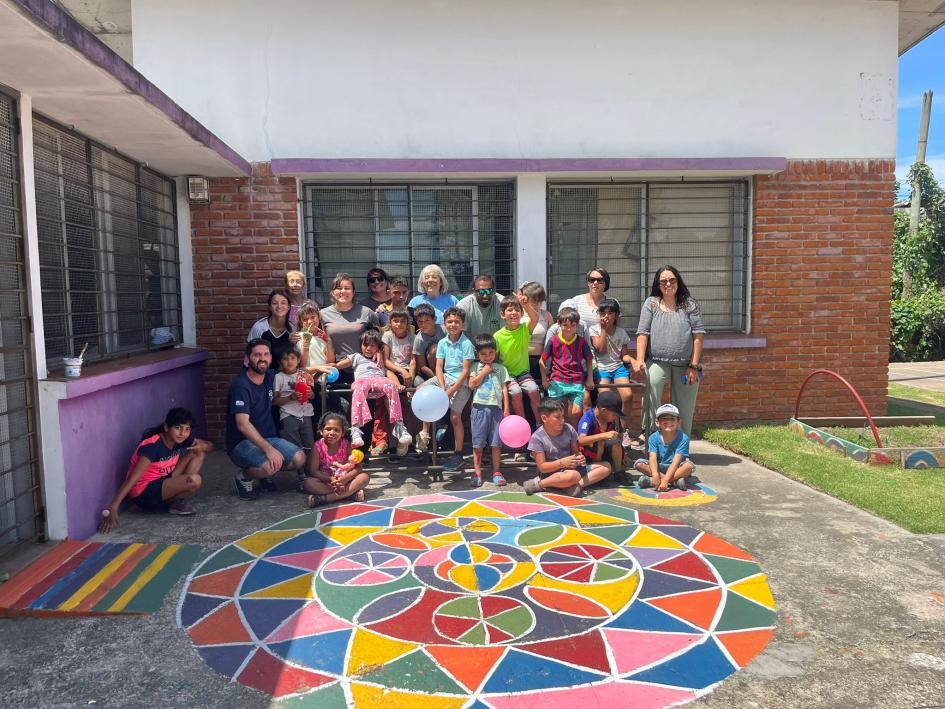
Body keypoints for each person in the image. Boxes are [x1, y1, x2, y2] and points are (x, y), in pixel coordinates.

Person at [100, 408, 212, 531]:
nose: (182, 433)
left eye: (187, 429)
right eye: (178, 428)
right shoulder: (152, 447)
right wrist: (114, 506)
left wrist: (202, 446)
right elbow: (132, 479)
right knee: (195, 481)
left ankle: (174, 502)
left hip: (164, 480)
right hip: (144, 493)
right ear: (166, 427)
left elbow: (210, 445)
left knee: (199, 453)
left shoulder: (181, 439)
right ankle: (172, 502)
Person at [320, 272, 390, 456]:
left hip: (364, 369)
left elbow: (379, 336)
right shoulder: (323, 314)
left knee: (366, 410)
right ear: (333, 292)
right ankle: (342, 451)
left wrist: (381, 354)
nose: (343, 291)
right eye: (339, 288)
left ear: (353, 291)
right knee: (342, 409)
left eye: (347, 288)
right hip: (337, 369)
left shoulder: (366, 312)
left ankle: (362, 454)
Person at [227, 339, 307, 500]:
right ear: (247, 359)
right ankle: (243, 476)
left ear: (271, 358)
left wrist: (316, 374)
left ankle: (263, 474)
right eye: (257, 355)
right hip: (242, 443)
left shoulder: (272, 377)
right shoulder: (241, 385)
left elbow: (296, 371)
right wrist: (268, 449)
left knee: (300, 458)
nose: (262, 358)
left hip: (269, 438)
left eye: (266, 354)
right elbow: (242, 424)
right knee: (269, 466)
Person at [632, 265, 705, 436]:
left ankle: (681, 444)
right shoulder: (651, 304)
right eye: (663, 281)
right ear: (658, 284)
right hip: (658, 361)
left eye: (672, 280)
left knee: (684, 405)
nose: (668, 284)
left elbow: (698, 336)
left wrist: (693, 366)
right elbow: (643, 333)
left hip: (685, 364)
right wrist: (640, 359)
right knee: (652, 387)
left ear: (678, 282)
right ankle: (650, 436)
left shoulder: (689, 304)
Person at [336, 329, 413, 456]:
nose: (368, 348)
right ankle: (356, 429)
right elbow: (339, 365)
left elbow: (388, 373)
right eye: (365, 345)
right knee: (358, 386)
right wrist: (327, 368)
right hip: (363, 385)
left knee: (390, 385)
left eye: (372, 345)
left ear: (378, 347)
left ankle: (399, 427)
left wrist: (397, 385)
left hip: (378, 383)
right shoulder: (356, 357)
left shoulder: (380, 359)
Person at [524, 398, 610, 496]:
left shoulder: (569, 429)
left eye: (563, 416)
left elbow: (575, 451)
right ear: (544, 418)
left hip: (571, 468)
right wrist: (562, 463)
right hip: (551, 473)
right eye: (558, 417)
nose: (562, 420)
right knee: (574, 475)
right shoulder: (537, 437)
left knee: (606, 467)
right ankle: (539, 484)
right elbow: (542, 467)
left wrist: (579, 457)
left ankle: (575, 486)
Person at [434, 306, 475, 471]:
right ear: (444, 324)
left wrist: (450, 391)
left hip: (461, 382)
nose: (453, 324)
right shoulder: (442, 343)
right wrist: (443, 387)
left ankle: (458, 454)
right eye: (449, 321)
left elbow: (465, 371)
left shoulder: (467, 343)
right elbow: (438, 367)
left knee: (456, 417)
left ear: (462, 324)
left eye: (457, 321)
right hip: (445, 379)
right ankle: (431, 429)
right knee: (422, 388)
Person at [540, 307, 595, 427]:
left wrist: (590, 378)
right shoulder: (553, 340)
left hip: (576, 381)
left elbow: (589, 359)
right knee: (557, 413)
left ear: (577, 325)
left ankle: (574, 439)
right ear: (559, 324)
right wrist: (544, 378)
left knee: (576, 412)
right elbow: (542, 360)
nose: (569, 329)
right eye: (565, 325)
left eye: (573, 325)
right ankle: (557, 440)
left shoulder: (581, 342)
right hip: (557, 381)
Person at [467, 333, 510, 488]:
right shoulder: (474, 367)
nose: (487, 356)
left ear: (495, 352)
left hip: (497, 409)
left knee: (496, 444)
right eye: (483, 354)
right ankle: (477, 472)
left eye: (491, 353)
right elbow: (471, 384)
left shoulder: (501, 368)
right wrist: (485, 371)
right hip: (479, 408)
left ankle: (496, 472)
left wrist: (506, 409)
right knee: (478, 444)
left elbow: (505, 389)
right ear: (477, 354)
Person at [303, 413, 370, 506]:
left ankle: (325, 499)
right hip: (327, 482)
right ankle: (349, 494)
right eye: (328, 429)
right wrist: (330, 479)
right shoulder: (317, 446)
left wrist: (344, 479)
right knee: (308, 483)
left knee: (364, 477)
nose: (331, 433)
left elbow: (358, 468)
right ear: (321, 431)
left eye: (336, 430)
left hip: (345, 481)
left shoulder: (346, 445)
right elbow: (313, 470)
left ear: (342, 433)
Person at [494, 293, 541, 425]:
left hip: (523, 373)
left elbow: (535, 318)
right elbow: (496, 360)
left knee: (533, 390)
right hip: (507, 374)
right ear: (503, 314)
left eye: (517, 310)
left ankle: (539, 424)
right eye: (509, 310)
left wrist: (525, 304)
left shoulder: (524, 329)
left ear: (521, 313)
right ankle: (523, 424)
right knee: (515, 392)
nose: (514, 313)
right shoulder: (497, 336)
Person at [589, 298, 635, 429]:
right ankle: (608, 428)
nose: (606, 316)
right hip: (601, 368)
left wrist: (633, 360)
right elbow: (601, 350)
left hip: (618, 368)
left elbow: (624, 355)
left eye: (610, 313)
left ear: (616, 315)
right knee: (606, 399)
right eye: (603, 313)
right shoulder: (594, 329)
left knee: (627, 395)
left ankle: (623, 428)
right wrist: (604, 330)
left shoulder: (621, 332)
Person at [633, 403, 695, 491]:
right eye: (664, 419)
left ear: (678, 422)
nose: (668, 422)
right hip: (659, 466)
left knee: (689, 466)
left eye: (672, 419)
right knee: (639, 464)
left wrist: (665, 480)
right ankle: (674, 482)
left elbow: (676, 462)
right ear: (657, 423)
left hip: (677, 467)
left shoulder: (683, 438)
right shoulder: (653, 438)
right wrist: (655, 475)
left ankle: (653, 481)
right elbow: (652, 458)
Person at [577, 391, 630, 484]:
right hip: (589, 457)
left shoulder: (609, 420)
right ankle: (599, 475)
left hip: (605, 454)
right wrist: (603, 435)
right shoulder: (588, 418)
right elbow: (580, 440)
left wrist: (622, 454)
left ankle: (618, 473)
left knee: (616, 443)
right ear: (603, 411)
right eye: (614, 415)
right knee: (600, 442)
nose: (614, 418)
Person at [412, 303, 445, 453]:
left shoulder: (443, 330)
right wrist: (437, 378)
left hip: (447, 369)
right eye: (420, 322)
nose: (423, 325)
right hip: (429, 373)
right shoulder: (419, 339)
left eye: (427, 321)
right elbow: (421, 365)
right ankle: (425, 435)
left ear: (434, 319)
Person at [272, 348, 316, 452]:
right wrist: (290, 397)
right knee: (293, 447)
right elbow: (275, 401)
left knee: (310, 445)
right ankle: (297, 467)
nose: (289, 361)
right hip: (288, 414)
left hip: (306, 413)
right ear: (280, 362)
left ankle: (309, 467)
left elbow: (313, 396)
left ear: (298, 360)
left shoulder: (304, 375)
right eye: (285, 359)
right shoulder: (279, 377)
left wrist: (311, 394)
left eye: (292, 358)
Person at [248, 289, 299, 360]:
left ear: (289, 307)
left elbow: (295, 357)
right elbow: (250, 354)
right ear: (269, 307)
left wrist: (292, 344)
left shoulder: (293, 329)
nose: (279, 306)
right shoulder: (259, 327)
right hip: (262, 369)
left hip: (285, 370)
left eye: (283, 303)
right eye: (275, 303)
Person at [521, 281, 554, 383]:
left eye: (541, 301)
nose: (538, 305)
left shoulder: (546, 315)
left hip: (541, 360)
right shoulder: (519, 314)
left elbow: (553, 338)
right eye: (535, 301)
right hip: (522, 359)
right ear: (526, 298)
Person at [297, 303, 336, 378]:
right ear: (301, 322)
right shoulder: (298, 337)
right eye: (305, 319)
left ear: (318, 317)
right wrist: (306, 343)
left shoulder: (324, 336)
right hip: (306, 378)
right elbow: (302, 365)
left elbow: (330, 362)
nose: (309, 321)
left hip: (324, 377)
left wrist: (328, 341)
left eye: (313, 317)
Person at [383, 309, 415, 388]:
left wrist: (410, 378)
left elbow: (413, 361)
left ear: (407, 324)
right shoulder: (387, 336)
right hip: (393, 370)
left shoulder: (413, 337)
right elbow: (385, 360)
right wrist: (402, 370)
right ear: (390, 323)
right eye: (396, 321)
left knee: (419, 382)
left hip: (408, 370)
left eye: (403, 321)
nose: (399, 324)